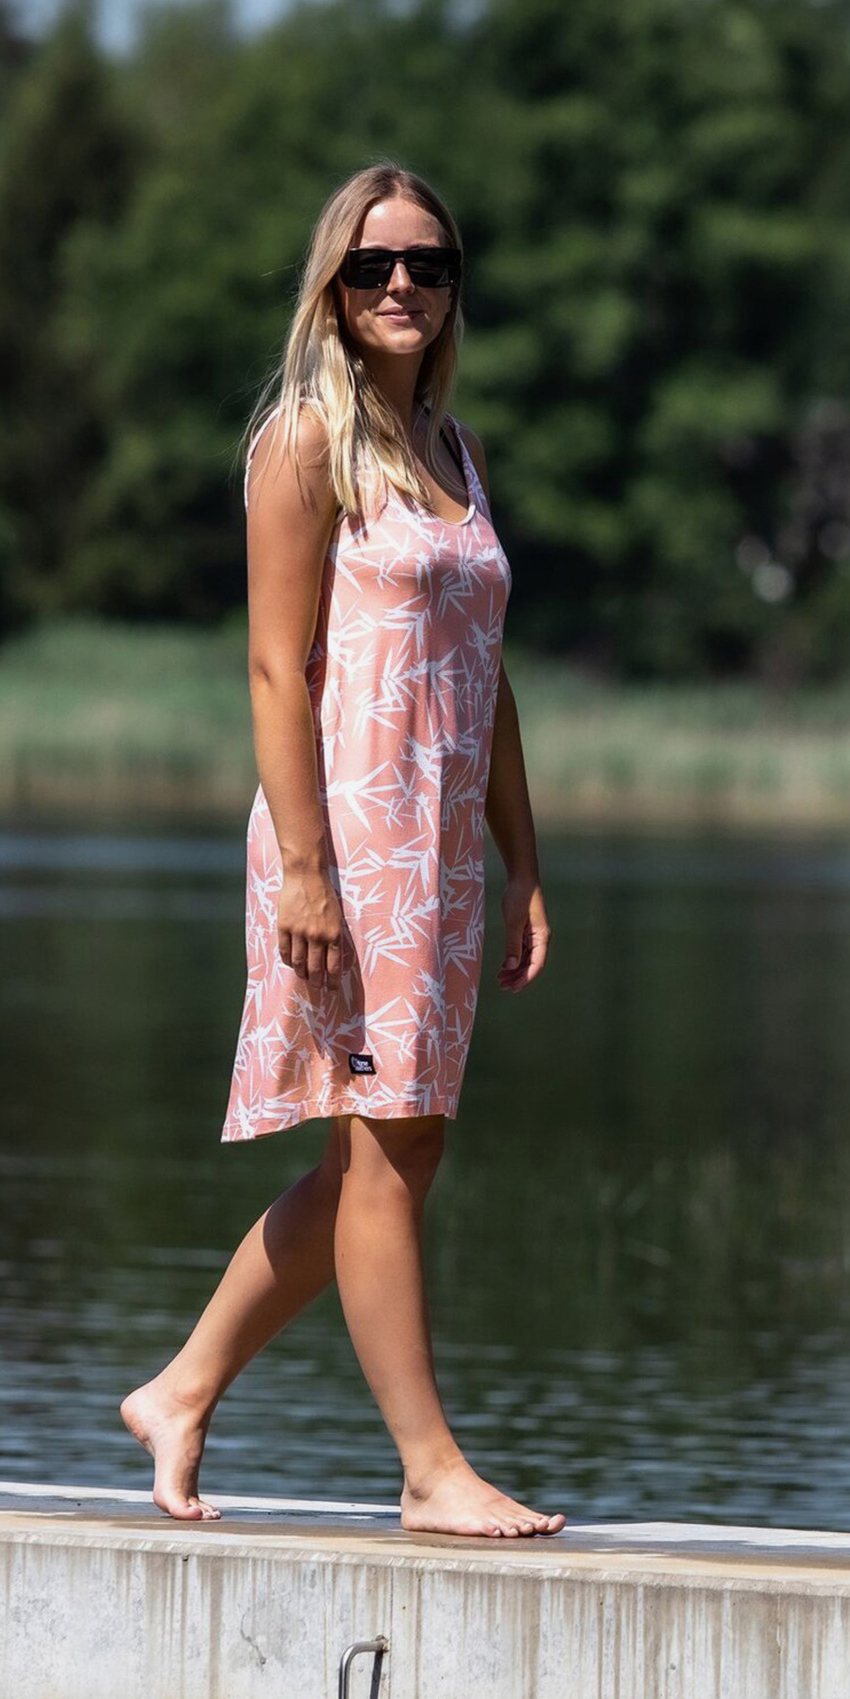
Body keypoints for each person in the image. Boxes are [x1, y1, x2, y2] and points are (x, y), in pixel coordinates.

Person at [121, 164, 564, 1540]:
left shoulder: (457, 451)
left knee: (399, 1154)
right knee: (377, 1152)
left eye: (428, 265)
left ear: (455, 287)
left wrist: (525, 864)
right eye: (373, 267)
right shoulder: (305, 442)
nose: (402, 287)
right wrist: (307, 871)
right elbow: (271, 669)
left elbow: (486, 678)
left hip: (441, 849)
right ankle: (429, 1469)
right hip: (350, 835)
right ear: (332, 288)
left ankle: (181, 1389)